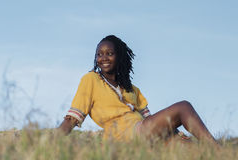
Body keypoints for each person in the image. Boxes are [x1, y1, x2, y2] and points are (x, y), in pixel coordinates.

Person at [58, 35, 218, 145]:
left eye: (109, 53)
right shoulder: (91, 79)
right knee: (183, 107)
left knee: (190, 150)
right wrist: (49, 143)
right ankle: (217, 149)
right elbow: (73, 117)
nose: (103, 58)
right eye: (99, 54)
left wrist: (176, 134)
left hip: (143, 131)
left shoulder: (131, 88)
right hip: (122, 135)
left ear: (119, 56)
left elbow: (154, 120)